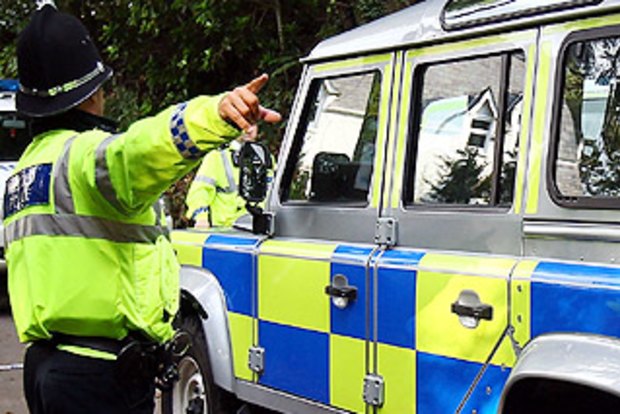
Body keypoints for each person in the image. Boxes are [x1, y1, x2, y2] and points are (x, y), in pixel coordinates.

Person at [3, 4, 280, 414]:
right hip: (99, 378)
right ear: (94, 93)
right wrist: (215, 114)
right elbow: (141, 149)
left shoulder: (25, 171)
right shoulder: (86, 160)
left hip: (46, 367)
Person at [185, 133, 274, 228]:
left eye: (252, 124)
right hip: (225, 230)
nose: (249, 130)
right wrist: (201, 218)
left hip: (257, 227)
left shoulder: (265, 157)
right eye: (245, 124)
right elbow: (200, 191)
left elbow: (271, 192)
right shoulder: (217, 156)